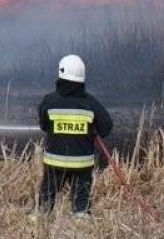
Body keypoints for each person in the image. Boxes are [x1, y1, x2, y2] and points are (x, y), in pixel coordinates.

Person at [36, 53, 113, 217]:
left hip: (55, 161)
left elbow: (43, 125)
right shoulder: (90, 103)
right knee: (82, 197)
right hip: (82, 163)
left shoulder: (49, 101)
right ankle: (81, 218)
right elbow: (106, 128)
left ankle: (41, 219)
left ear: (61, 73)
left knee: (47, 194)